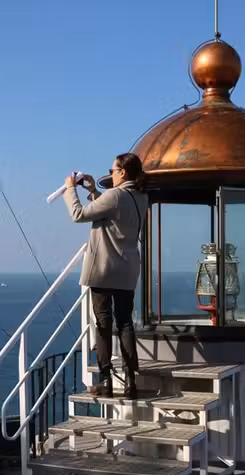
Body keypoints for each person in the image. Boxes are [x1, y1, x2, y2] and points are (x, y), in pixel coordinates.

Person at [63, 152, 148, 399]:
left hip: (103, 270)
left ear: (122, 172)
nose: (110, 174)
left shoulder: (115, 195)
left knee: (102, 325)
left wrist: (71, 190)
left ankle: (107, 381)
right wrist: (92, 190)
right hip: (128, 270)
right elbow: (112, 211)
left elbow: (79, 215)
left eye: (113, 170)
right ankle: (132, 381)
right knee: (125, 323)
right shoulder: (141, 198)